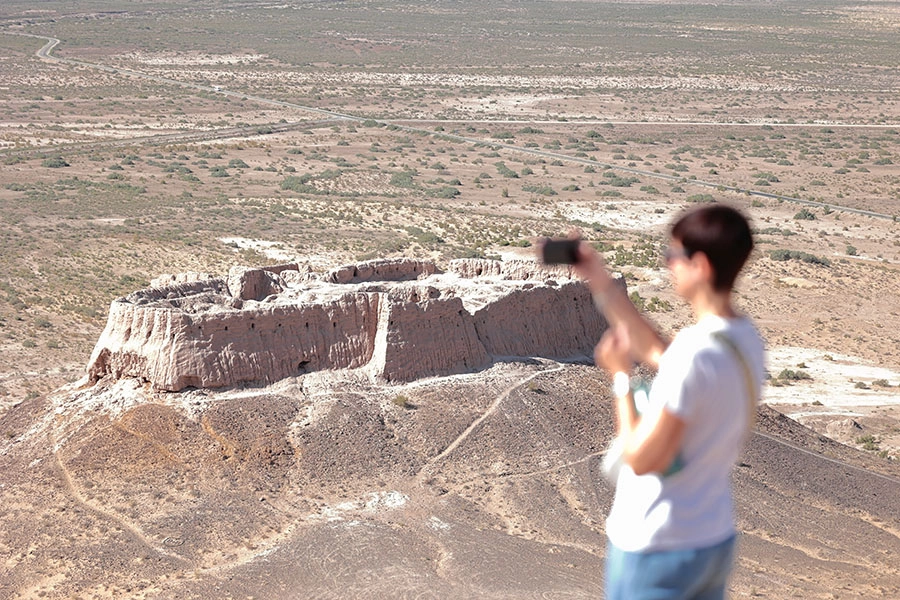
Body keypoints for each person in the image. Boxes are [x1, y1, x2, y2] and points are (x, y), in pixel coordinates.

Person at [568, 203, 766, 599]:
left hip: (658, 543)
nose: (668, 264)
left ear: (701, 266)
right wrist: (599, 280)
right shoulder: (743, 339)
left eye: (674, 255)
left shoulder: (695, 354)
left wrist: (620, 378)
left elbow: (641, 459)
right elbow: (659, 350)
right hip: (711, 537)